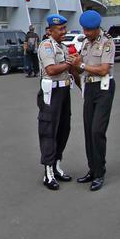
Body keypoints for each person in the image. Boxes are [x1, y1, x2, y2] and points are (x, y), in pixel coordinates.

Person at [36, 15, 79, 189]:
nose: (64, 31)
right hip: (51, 92)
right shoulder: (46, 46)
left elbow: (72, 68)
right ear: (49, 31)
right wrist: (70, 64)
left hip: (64, 91)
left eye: (64, 28)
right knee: (49, 131)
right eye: (60, 29)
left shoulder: (62, 47)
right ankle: (48, 172)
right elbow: (51, 69)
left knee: (63, 129)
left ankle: (56, 165)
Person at [75, 11, 114, 191]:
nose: (86, 33)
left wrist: (81, 66)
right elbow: (79, 64)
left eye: (89, 30)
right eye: (85, 29)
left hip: (103, 88)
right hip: (89, 88)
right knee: (88, 130)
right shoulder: (84, 43)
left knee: (97, 130)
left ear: (97, 28)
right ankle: (92, 168)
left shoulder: (107, 42)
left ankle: (100, 172)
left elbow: (104, 69)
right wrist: (72, 64)